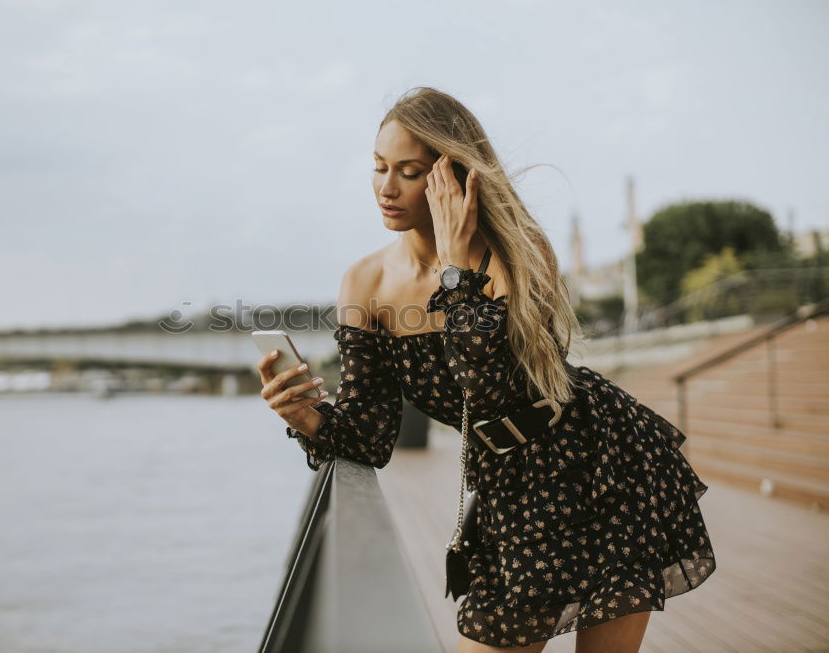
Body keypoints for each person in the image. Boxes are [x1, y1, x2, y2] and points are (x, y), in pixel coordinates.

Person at [256, 86, 716, 652]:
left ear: (453, 177)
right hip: (510, 489)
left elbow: (489, 387)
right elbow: (371, 437)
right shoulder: (365, 284)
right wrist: (304, 415)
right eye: (378, 167)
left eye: (409, 171)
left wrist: (455, 270)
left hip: (601, 462)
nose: (386, 187)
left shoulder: (514, 255)